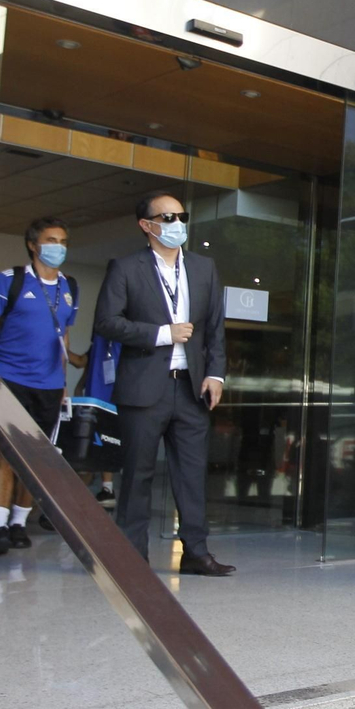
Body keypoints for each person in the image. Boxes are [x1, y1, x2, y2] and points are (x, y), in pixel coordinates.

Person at [93, 193, 232, 576]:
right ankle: (132, 556)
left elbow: (215, 328)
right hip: (143, 387)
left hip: (192, 388)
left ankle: (196, 552)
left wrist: (216, 373)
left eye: (181, 216)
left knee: (191, 473)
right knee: (137, 473)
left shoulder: (204, 268)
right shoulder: (125, 267)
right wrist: (161, 333)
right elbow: (106, 321)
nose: (177, 223)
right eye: (167, 217)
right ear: (147, 225)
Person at [0, 220, 85, 556]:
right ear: (33, 245)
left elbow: (63, 336)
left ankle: (19, 523)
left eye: (64, 241)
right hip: (8, 379)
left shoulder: (70, 286)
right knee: (5, 454)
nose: (59, 247)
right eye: (51, 240)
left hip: (50, 386)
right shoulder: (9, 280)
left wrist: (63, 383)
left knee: (37, 459)